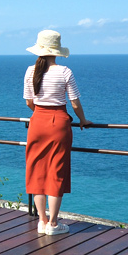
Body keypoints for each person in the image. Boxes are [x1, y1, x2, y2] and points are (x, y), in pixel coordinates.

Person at [23, 30, 92, 235]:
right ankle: (53, 223)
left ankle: (42, 221)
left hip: (37, 123)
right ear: (56, 51)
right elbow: (74, 103)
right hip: (59, 123)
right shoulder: (64, 72)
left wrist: (42, 115)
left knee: (36, 170)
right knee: (56, 170)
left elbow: (29, 102)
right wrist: (82, 120)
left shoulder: (30, 71)